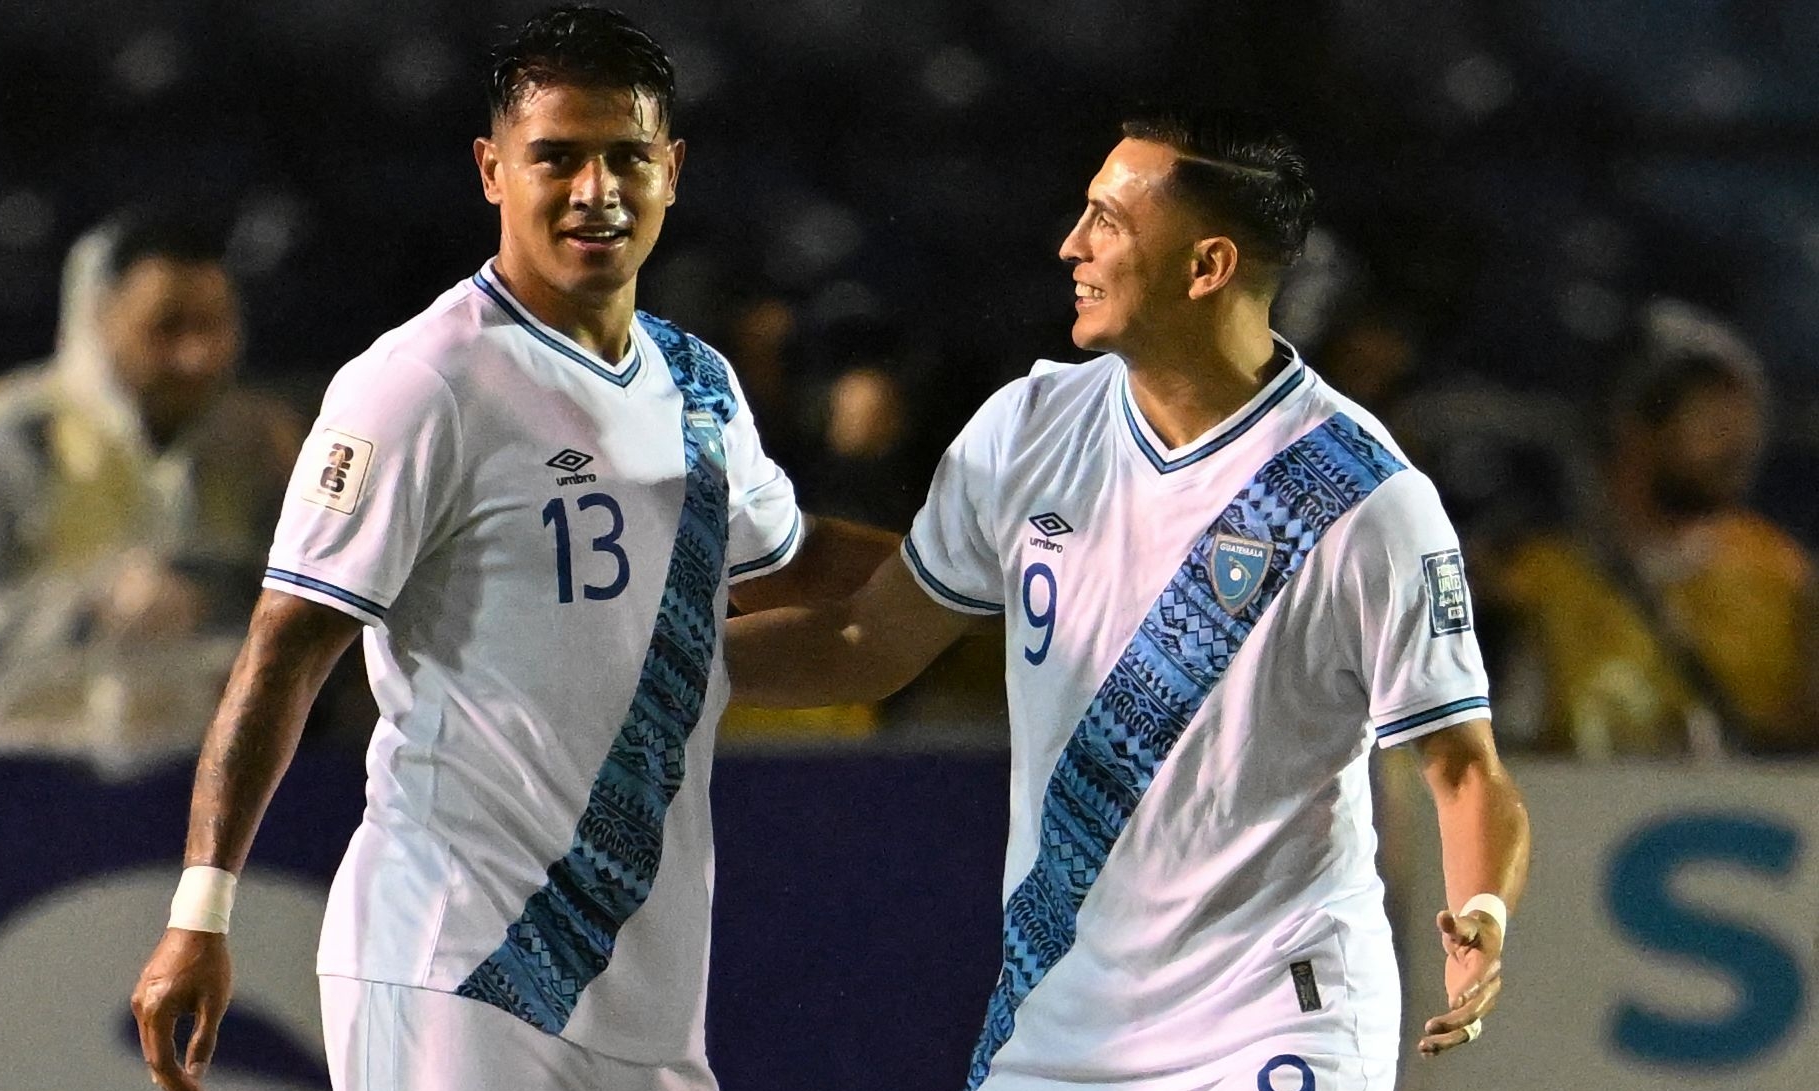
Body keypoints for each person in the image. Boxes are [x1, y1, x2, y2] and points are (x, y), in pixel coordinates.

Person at [129, 9, 893, 1091]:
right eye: (557, 157)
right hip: (455, 958)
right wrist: (199, 909)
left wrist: (989, 563)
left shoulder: (699, 383)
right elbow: (289, 643)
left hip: (643, 987)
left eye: (626, 155)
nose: (596, 189)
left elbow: (794, 560)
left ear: (672, 170)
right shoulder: (420, 383)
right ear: (493, 170)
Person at [727, 106, 1532, 1090]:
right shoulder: (1025, 428)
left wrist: (1481, 912)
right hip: (1059, 1026)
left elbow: (1461, 767)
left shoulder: (1365, 500)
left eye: (1108, 220)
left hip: (1274, 1023)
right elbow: (865, 638)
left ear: (1206, 267)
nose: (1072, 245)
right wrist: (657, 662)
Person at [0, 210, 301, 752]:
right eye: (166, 327)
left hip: (214, 777)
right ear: (99, 317)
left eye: (214, 326)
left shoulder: (265, 447)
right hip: (15, 778)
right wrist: (88, 608)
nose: (196, 355)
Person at [1490, 299, 1819, 757]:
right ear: (1635, 430)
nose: (1738, 445)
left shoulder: (1782, 577)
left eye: (1743, 421)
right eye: (1711, 422)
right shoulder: (1539, 580)